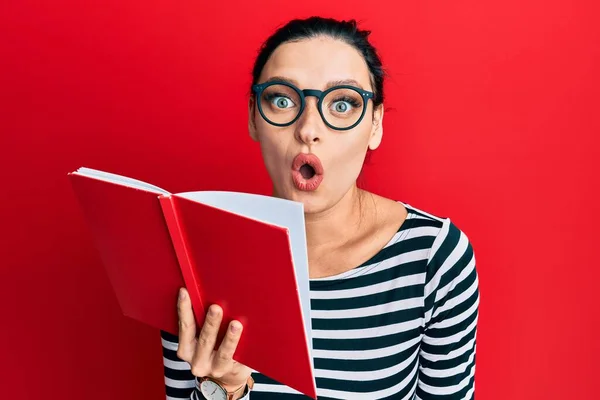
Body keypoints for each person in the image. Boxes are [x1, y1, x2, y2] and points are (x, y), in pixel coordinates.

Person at [161, 16, 479, 400]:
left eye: (342, 103)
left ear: (375, 124)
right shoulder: (195, 261)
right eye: (282, 100)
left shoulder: (433, 257)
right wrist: (226, 389)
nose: (309, 128)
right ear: (252, 118)